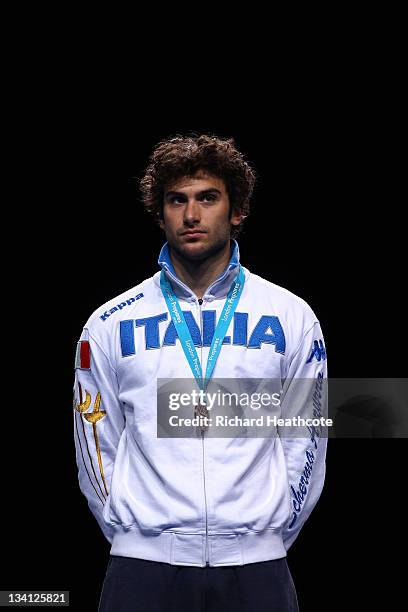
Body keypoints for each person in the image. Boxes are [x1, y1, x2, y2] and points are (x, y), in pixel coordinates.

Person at [73, 134, 328, 611]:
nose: (191, 215)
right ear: (161, 211)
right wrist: (133, 534)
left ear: (236, 211)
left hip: (257, 568)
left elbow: (307, 438)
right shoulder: (110, 322)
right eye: (177, 200)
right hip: (142, 567)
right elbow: (95, 441)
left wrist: (265, 536)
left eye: (207, 198)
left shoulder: (292, 316)